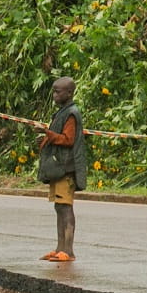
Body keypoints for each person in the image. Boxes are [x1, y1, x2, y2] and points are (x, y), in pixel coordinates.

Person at [35, 77, 87, 262]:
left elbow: (68, 140)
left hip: (66, 169)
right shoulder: (61, 113)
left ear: (69, 93)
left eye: (58, 92)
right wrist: (45, 139)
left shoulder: (71, 113)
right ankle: (60, 247)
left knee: (66, 208)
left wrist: (47, 133)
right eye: (54, 91)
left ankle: (69, 250)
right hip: (58, 168)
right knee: (59, 207)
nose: (55, 95)